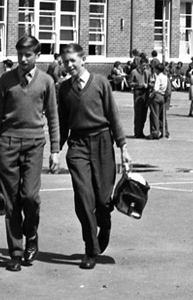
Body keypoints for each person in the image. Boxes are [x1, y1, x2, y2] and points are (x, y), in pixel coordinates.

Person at [0, 36, 60, 272]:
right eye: (20, 54)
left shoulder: (46, 81)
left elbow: (53, 116)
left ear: (37, 56)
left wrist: (55, 150)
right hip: (8, 144)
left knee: (29, 196)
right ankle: (16, 252)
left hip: (35, 144)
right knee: (11, 202)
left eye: (28, 55)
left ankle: (32, 234)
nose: (23, 59)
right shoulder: (6, 81)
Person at [57, 43, 132, 269]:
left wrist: (123, 147)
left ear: (83, 59)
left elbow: (113, 115)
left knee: (102, 199)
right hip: (78, 145)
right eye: (65, 61)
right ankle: (90, 249)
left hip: (102, 143)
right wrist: (54, 150)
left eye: (73, 60)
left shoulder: (100, 83)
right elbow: (61, 123)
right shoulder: (62, 89)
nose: (69, 65)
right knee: (83, 198)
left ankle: (105, 223)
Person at [128, 57, 150, 138]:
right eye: (143, 65)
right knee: (138, 115)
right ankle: (137, 133)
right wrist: (138, 85)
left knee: (144, 114)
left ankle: (141, 132)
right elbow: (129, 83)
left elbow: (151, 82)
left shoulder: (147, 72)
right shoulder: (134, 72)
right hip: (138, 95)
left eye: (146, 65)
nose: (145, 67)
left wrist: (149, 85)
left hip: (145, 94)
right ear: (139, 64)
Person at [148, 63, 168, 139]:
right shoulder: (165, 77)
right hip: (162, 96)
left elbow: (156, 88)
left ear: (157, 70)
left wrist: (151, 95)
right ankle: (163, 131)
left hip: (156, 96)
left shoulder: (158, 77)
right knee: (160, 115)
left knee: (154, 114)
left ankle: (155, 132)